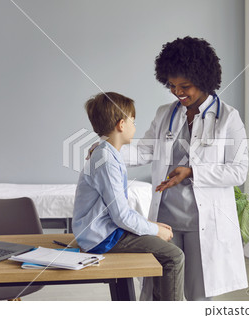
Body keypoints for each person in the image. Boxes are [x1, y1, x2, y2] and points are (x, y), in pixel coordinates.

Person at [123, 36, 249, 300]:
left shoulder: (228, 118)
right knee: (159, 293)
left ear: (203, 80)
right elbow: (144, 151)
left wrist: (193, 171)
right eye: (172, 86)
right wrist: (109, 149)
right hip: (165, 219)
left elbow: (238, 172)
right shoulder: (165, 113)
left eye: (185, 86)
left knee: (197, 296)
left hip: (201, 222)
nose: (178, 92)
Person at [72, 92, 185, 301]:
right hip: (103, 238)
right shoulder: (106, 159)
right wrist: (155, 230)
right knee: (174, 255)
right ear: (121, 125)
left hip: (102, 232)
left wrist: (149, 224)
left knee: (162, 245)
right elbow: (121, 216)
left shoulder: (107, 154)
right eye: (133, 121)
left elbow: (116, 209)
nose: (135, 126)